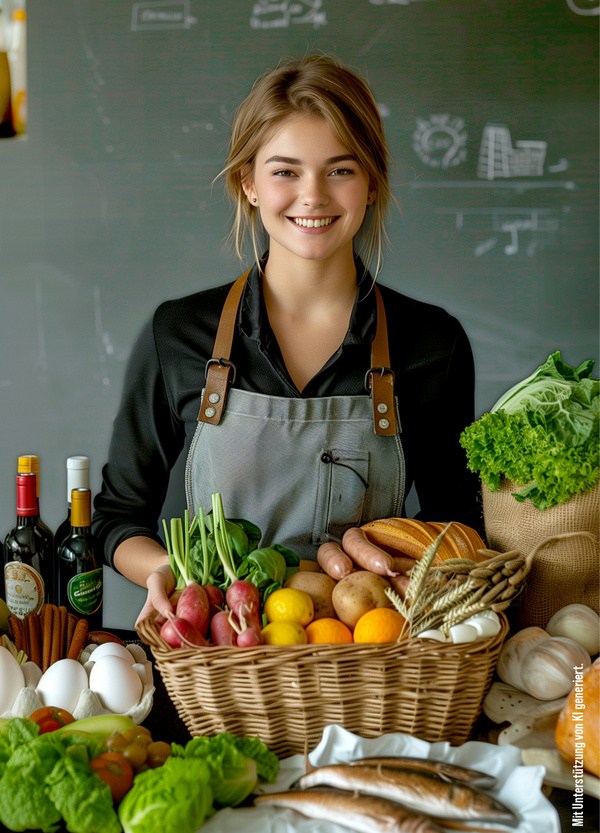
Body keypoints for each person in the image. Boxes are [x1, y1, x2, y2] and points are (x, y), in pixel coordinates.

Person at [92, 54, 480, 625]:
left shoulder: (432, 344)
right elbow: (118, 518)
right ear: (248, 183)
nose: (313, 195)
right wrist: (166, 574)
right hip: (223, 654)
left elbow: (459, 534)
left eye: (340, 170)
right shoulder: (178, 335)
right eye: (285, 171)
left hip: (370, 661)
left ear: (371, 183)